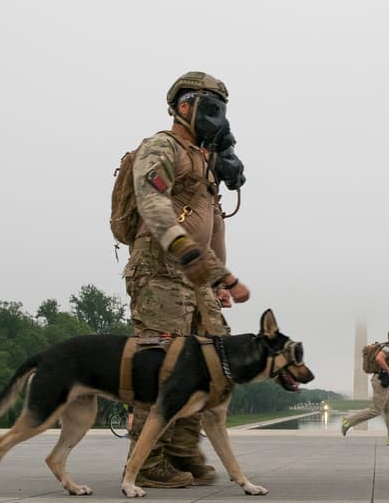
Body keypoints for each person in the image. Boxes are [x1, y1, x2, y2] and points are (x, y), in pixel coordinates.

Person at [122, 71, 251, 488]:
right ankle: (147, 461)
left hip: (197, 276)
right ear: (183, 106)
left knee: (211, 365)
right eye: (209, 108)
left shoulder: (203, 160)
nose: (218, 118)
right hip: (161, 267)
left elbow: (213, 226)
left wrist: (218, 281)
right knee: (160, 364)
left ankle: (181, 450)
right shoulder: (163, 147)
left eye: (221, 110)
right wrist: (184, 248)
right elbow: (151, 201)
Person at [341, 328, 389, 445]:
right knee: (376, 409)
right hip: (381, 380)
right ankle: (348, 421)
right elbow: (379, 358)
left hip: (385, 381)